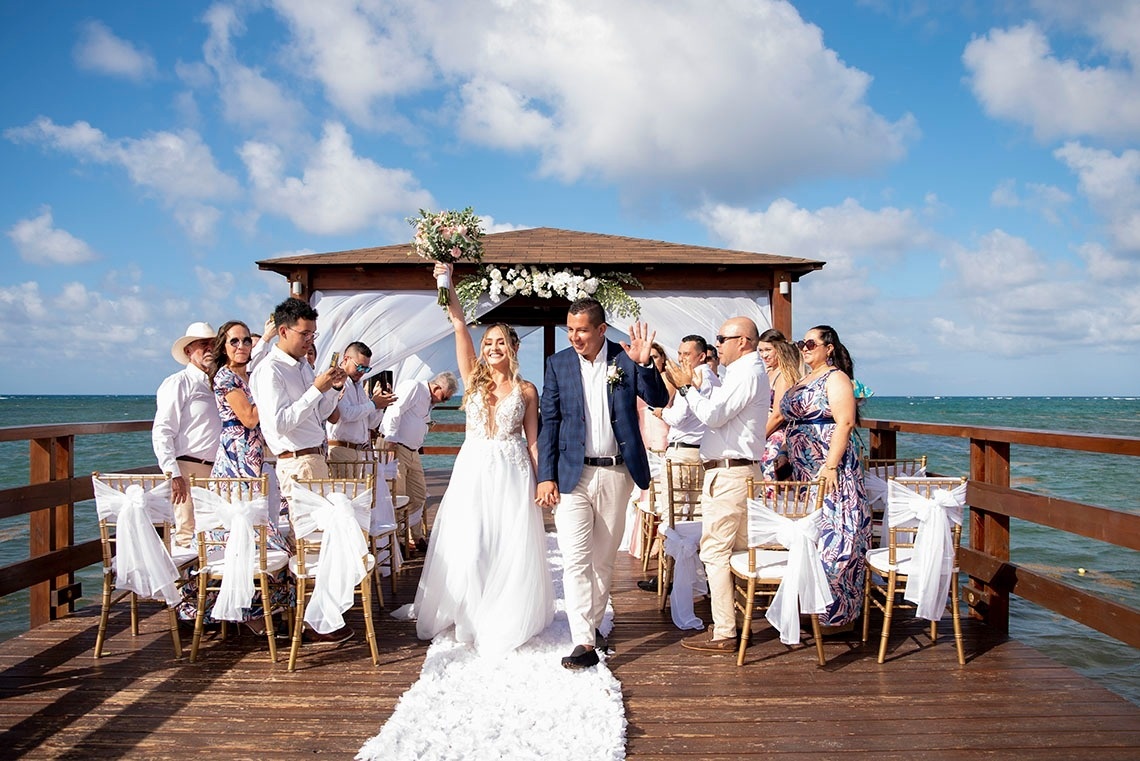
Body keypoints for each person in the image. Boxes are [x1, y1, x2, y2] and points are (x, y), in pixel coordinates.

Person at [413, 264, 554, 654]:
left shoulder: (526, 390)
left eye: (500, 342)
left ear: (513, 348)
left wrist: (544, 481)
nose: (492, 348)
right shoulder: (472, 378)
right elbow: (459, 323)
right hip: (473, 470)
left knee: (506, 545)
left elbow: (533, 441)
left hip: (512, 472)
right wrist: (446, 280)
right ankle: (469, 615)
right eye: (488, 341)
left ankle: (502, 613)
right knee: (471, 543)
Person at [536, 298, 669, 670]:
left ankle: (591, 624)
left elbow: (659, 398)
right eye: (570, 329)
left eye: (581, 330)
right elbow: (550, 423)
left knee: (603, 561)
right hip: (571, 476)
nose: (574, 337)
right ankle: (583, 640)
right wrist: (545, 476)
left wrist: (644, 364)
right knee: (575, 559)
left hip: (616, 473)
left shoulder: (626, 359)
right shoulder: (557, 364)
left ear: (600, 330)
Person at [177, 320, 293, 632]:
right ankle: (248, 613)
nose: (241, 346)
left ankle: (260, 608)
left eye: (245, 341)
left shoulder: (251, 375)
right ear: (223, 347)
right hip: (237, 453)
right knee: (246, 531)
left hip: (255, 453)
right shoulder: (226, 377)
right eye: (234, 342)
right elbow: (250, 416)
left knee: (259, 530)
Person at [249, 298, 352, 643]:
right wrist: (315, 389)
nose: (310, 340)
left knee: (320, 540)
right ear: (283, 330)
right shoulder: (270, 370)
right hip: (296, 460)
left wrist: (333, 389)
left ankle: (319, 615)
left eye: (313, 333)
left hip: (315, 456)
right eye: (305, 333)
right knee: (310, 542)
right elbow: (279, 423)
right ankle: (312, 622)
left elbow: (318, 412)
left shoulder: (302, 367)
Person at [663, 317, 769, 653]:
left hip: (730, 475)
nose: (717, 345)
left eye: (722, 339)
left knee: (715, 551)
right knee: (736, 549)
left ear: (744, 341)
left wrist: (684, 389)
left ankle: (725, 631)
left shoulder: (748, 372)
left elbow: (713, 416)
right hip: (738, 472)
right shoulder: (740, 373)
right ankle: (736, 622)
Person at [781, 325, 871, 631]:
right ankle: (810, 605)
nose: (803, 349)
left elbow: (845, 421)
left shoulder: (836, 378)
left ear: (828, 347)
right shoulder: (804, 378)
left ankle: (836, 615)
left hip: (829, 469)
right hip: (803, 470)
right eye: (800, 344)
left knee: (837, 536)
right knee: (811, 534)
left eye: (809, 343)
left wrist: (831, 466)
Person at [637, 334, 719, 593]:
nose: (681, 358)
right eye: (680, 353)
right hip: (702, 455)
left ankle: (667, 576)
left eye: (687, 354)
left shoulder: (695, 379)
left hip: (682, 454)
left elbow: (680, 417)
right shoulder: (716, 379)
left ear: (702, 355)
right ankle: (695, 576)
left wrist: (662, 412)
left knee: (673, 515)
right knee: (697, 515)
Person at [152, 321, 222, 548]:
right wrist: (172, 473)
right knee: (186, 532)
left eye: (213, 344)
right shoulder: (178, 383)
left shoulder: (219, 383)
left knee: (213, 533)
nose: (210, 348)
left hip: (218, 471)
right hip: (187, 469)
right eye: (203, 344)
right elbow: (163, 429)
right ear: (188, 351)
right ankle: (183, 583)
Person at [380, 368, 457, 553]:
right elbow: (395, 410)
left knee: (419, 494)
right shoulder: (414, 387)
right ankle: (399, 539)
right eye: (445, 398)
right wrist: (390, 439)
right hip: (396, 446)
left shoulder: (429, 401)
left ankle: (412, 534)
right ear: (437, 387)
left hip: (412, 451)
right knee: (397, 495)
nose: (444, 402)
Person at [327, 341, 395, 462]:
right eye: (359, 366)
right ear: (346, 359)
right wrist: (373, 404)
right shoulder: (337, 382)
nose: (362, 371)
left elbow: (371, 424)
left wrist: (379, 406)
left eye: (366, 368)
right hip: (341, 449)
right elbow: (345, 414)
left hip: (358, 451)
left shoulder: (358, 386)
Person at [757, 329, 803, 482]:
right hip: (766, 433)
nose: (764, 355)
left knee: (770, 486)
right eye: (761, 350)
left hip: (775, 437)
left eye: (768, 350)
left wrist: (758, 437)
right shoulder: (769, 372)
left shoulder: (783, 375)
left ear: (779, 349)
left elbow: (778, 414)